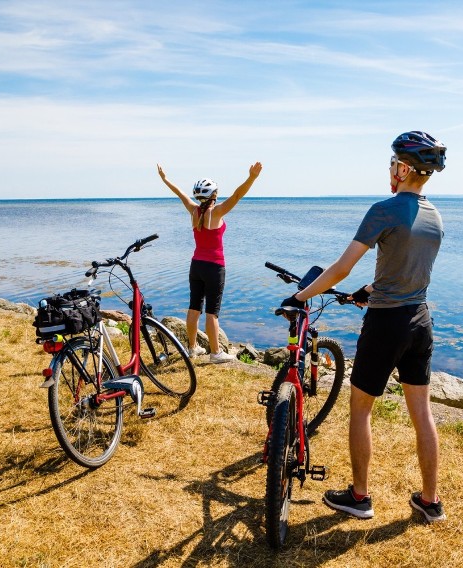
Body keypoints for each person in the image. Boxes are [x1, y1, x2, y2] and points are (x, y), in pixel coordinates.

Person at [281, 131, 447, 523]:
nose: (390, 169)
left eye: (393, 163)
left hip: (387, 323)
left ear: (404, 169)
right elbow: (407, 274)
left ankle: (359, 497)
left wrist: (300, 297)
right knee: (421, 413)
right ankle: (430, 501)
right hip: (420, 321)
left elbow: (340, 267)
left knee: (361, 410)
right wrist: (368, 290)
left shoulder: (384, 209)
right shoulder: (435, 217)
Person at [157, 161, 263, 363]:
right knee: (212, 313)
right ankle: (215, 353)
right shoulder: (216, 212)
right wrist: (252, 177)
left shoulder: (193, 211)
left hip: (196, 266)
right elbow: (237, 195)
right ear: (214, 195)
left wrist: (165, 179)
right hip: (214, 267)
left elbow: (180, 193)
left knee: (194, 307)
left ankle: (192, 348)